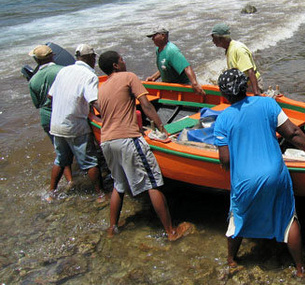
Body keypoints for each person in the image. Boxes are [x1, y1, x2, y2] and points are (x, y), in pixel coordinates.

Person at [213, 68, 305, 276]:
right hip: (275, 174)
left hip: (245, 179)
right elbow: (293, 132)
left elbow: (225, 160)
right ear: (245, 86)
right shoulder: (268, 104)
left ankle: (231, 261)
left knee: (237, 218)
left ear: (224, 95)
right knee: (289, 219)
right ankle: (300, 268)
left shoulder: (223, 119)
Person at [97, 51, 192, 241]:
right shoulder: (129, 77)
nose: (125, 61)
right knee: (153, 183)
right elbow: (146, 106)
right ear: (116, 65)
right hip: (128, 139)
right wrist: (162, 128)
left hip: (106, 141)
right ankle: (171, 232)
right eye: (122, 59)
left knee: (119, 185)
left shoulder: (102, 87)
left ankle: (112, 227)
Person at [47, 44, 105, 202]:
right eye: (94, 58)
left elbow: (51, 96)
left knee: (60, 159)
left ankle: (51, 194)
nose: (95, 61)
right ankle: (101, 194)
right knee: (90, 161)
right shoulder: (89, 75)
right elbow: (94, 101)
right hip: (75, 126)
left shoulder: (63, 71)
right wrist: (109, 116)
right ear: (90, 58)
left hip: (57, 124)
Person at [28, 45, 73, 184]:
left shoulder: (33, 80)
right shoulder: (63, 71)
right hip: (65, 114)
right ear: (53, 55)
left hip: (47, 117)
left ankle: (69, 180)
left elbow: (37, 104)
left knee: (60, 152)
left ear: (36, 60)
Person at [146, 27, 205, 95]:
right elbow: (165, 66)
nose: (152, 39)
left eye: (154, 36)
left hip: (181, 87)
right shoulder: (158, 50)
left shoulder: (171, 51)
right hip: (170, 86)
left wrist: (195, 84)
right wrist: (153, 77)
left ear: (163, 36)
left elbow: (187, 67)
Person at [210, 23, 262, 95]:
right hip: (243, 84)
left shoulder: (238, 49)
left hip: (251, 85)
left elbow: (250, 70)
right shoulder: (229, 49)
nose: (213, 41)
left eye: (214, 38)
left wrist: (256, 92)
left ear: (221, 39)